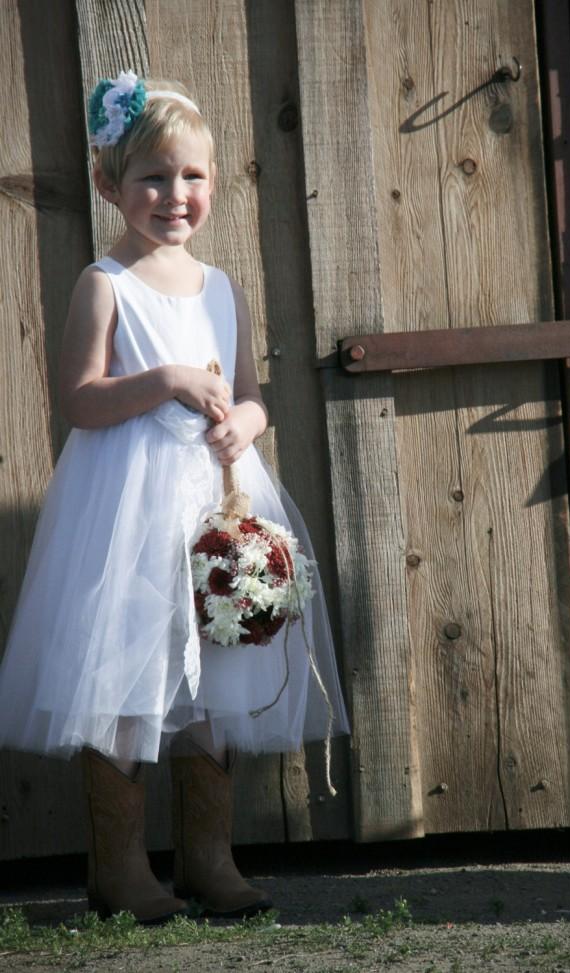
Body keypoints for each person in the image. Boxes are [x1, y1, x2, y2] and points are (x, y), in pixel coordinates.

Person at [0, 71, 349, 924]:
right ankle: (118, 869)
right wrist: (160, 381)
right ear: (108, 184)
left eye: (191, 175)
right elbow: (79, 400)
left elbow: (251, 391)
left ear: (214, 181)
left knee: (219, 672)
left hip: (215, 503)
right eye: (152, 176)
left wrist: (250, 425)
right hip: (125, 509)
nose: (173, 195)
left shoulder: (221, 287)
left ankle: (209, 857)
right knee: (127, 673)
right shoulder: (105, 283)